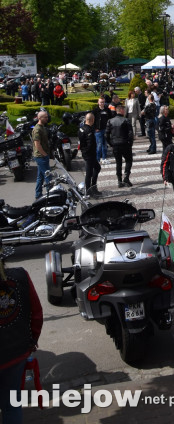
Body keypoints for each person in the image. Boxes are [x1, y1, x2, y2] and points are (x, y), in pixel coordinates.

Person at [0, 244, 43, 424]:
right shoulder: (20, 276)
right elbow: (36, 315)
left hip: (16, 352)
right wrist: (31, 341)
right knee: (12, 405)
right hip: (15, 353)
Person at [105, 103, 134, 188]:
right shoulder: (126, 120)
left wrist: (111, 144)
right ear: (121, 110)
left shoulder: (110, 121)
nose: (125, 111)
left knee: (118, 162)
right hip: (124, 143)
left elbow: (106, 135)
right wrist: (130, 143)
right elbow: (130, 134)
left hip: (115, 144)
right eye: (124, 110)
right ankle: (126, 177)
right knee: (129, 160)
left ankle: (119, 180)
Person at [79, 112, 102, 196]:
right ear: (92, 120)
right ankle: (89, 191)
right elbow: (90, 144)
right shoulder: (89, 130)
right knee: (89, 174)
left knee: (97, 168)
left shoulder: (81, 128)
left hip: (86, 153)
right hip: (89, 155)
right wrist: (88, 153)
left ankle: (93, 187)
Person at [32, 110, 50, 200]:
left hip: (42, 156)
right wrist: (45, 154)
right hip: (40, 156)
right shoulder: (37, 129)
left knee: (40, 177)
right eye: (45, 117)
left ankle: (38, 195)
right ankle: (50, 194)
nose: (47, 118)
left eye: (47, 117)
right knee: (48, 176)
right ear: (39, 118)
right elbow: (37, 144)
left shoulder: (42, 127)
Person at [93, 97, 112, 162]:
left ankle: (104, 158)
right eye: (101, 102)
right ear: (98, 102)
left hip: (106, 130)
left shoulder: (107, 110)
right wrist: (95, 128)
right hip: (98, 130)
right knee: (99, 145)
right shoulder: (95, 110)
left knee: (105, 145)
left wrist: (109, 128)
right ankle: (97, 159)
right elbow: (92, 120)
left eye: (103, 102)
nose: (102, 103)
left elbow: (110, 119)